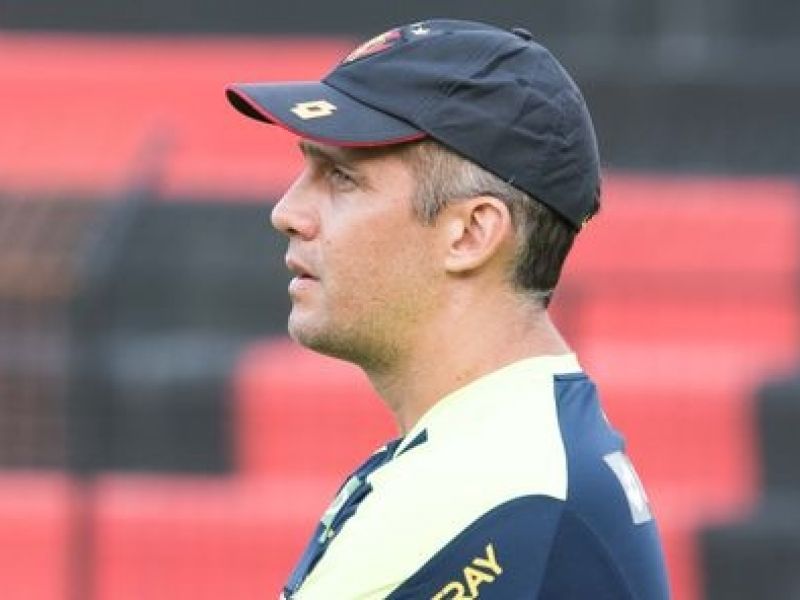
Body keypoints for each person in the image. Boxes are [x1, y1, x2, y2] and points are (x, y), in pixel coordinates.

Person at [226, 18, 670, 599]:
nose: (287, 212)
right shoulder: (511, 451)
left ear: (470, 233)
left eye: (342, 178)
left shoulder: (492, 484)